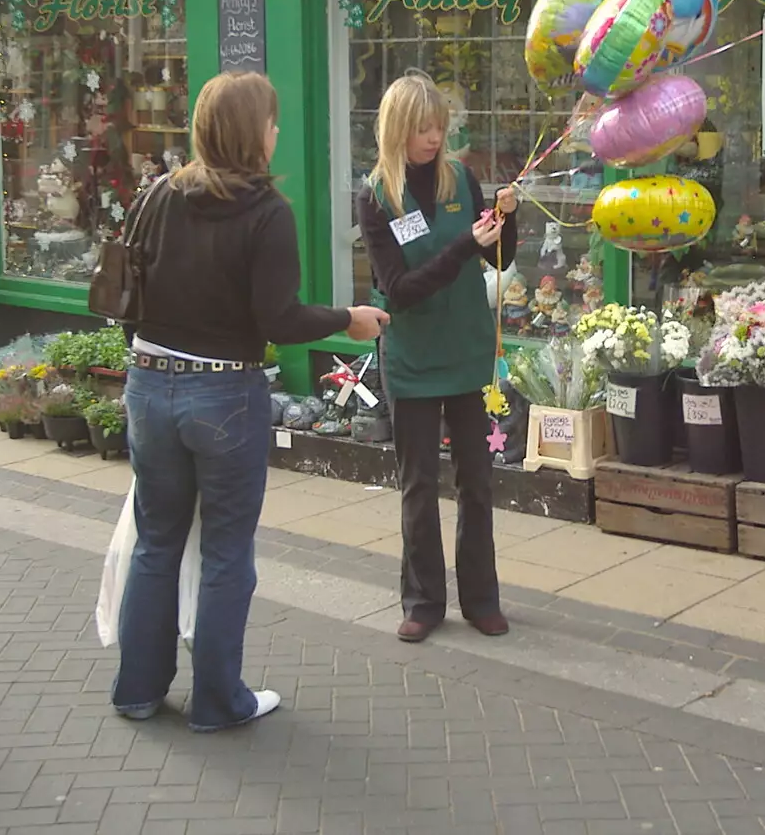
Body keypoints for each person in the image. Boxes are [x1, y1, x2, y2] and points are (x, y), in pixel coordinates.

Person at [114, 72, 387, 733]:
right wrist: (347, 317)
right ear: (250, 133)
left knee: (158, 541)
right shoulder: (267, 212)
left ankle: (138, 691)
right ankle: (217, 702)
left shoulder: (157, 195)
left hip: (150, 383)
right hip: (224, 393)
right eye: (271, 122)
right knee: (227, 551)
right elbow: (279, 319)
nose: (276, 132)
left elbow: (130, 294)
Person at [356, 70, 518, 644]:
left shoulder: (461, 179)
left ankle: (481, 600)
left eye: (439, 128)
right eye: (422, 128)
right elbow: (398, 289)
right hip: (414, 355)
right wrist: (464, 246)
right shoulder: (377, 197)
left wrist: (505, 221)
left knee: (476, 481)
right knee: (419, 484)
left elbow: (496, 260)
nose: (432, 138)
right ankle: (424, 601)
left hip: (468, 349)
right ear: (397, 128)